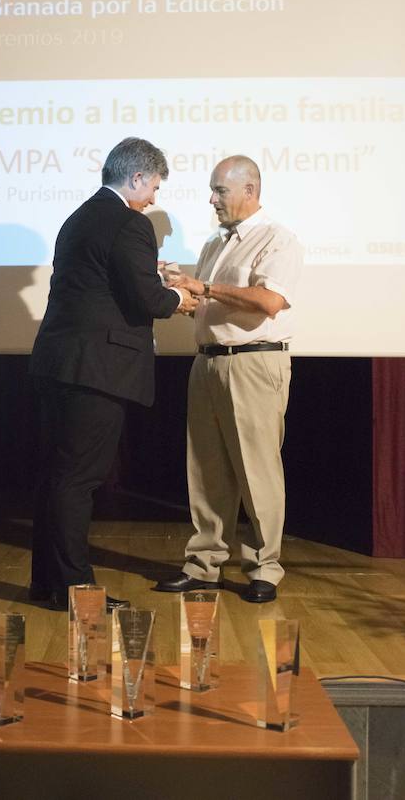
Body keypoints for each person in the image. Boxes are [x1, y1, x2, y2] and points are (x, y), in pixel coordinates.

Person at [29, 137, 198, 611]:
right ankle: (74, 591)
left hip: (62, 363)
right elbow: (144, 299)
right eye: (155, 186)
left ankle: (48, 583)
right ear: (137, 177)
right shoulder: (130, 222)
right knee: (77, 481)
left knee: (58, 477)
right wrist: (179, 299)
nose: (154, 198)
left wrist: (150, 277)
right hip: (95, 369)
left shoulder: (79, 216)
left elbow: (107, 284)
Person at [154, 155, 303, 603]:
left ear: (250, 190)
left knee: (257, 469)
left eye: (220, 190)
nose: (213, 199)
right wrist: (178, 294)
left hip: (254, 364)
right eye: (213, 190)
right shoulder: (215, 245)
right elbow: (208, 306)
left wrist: (203, 287)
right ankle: (203, 565)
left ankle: (264, 568)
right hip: (209, 362)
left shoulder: (277, 239)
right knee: (205, 470)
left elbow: (270, 300)